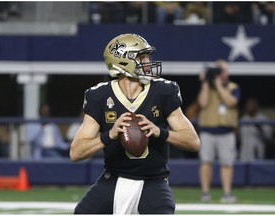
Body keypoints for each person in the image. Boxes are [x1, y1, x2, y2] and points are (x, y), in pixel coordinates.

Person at [70, 33, 200, 214]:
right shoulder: (99, 96)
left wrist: (160, 132)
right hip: (113, 177)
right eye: (142, 57)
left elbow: (193, 142)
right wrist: (110, 135)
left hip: (153, 179)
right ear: (123, 61)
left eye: (147, 56)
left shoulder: (163, 91)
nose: (148, 61)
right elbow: (76, 152)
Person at [197, 59, 240, 203]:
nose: (220, 73)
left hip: (226, 131)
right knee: (206, 162)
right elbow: (202, 103)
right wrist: (206, 83)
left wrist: (218, 84)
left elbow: (231, 102)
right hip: (207, 130)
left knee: (227, 163)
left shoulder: (233, 87)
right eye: (218, 70)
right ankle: (205, 193)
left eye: (223, 70)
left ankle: (227, 193)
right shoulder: (207, 87)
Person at [239, 97, 272, 162]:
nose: (248, 106)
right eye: (248, 105)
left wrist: (260, 129)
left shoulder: (262, 119)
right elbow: (239, 137)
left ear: (256, 106)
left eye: (251, 104)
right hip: (244, 155)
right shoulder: (242, 119)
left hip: (258, 153)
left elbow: (269, 136)